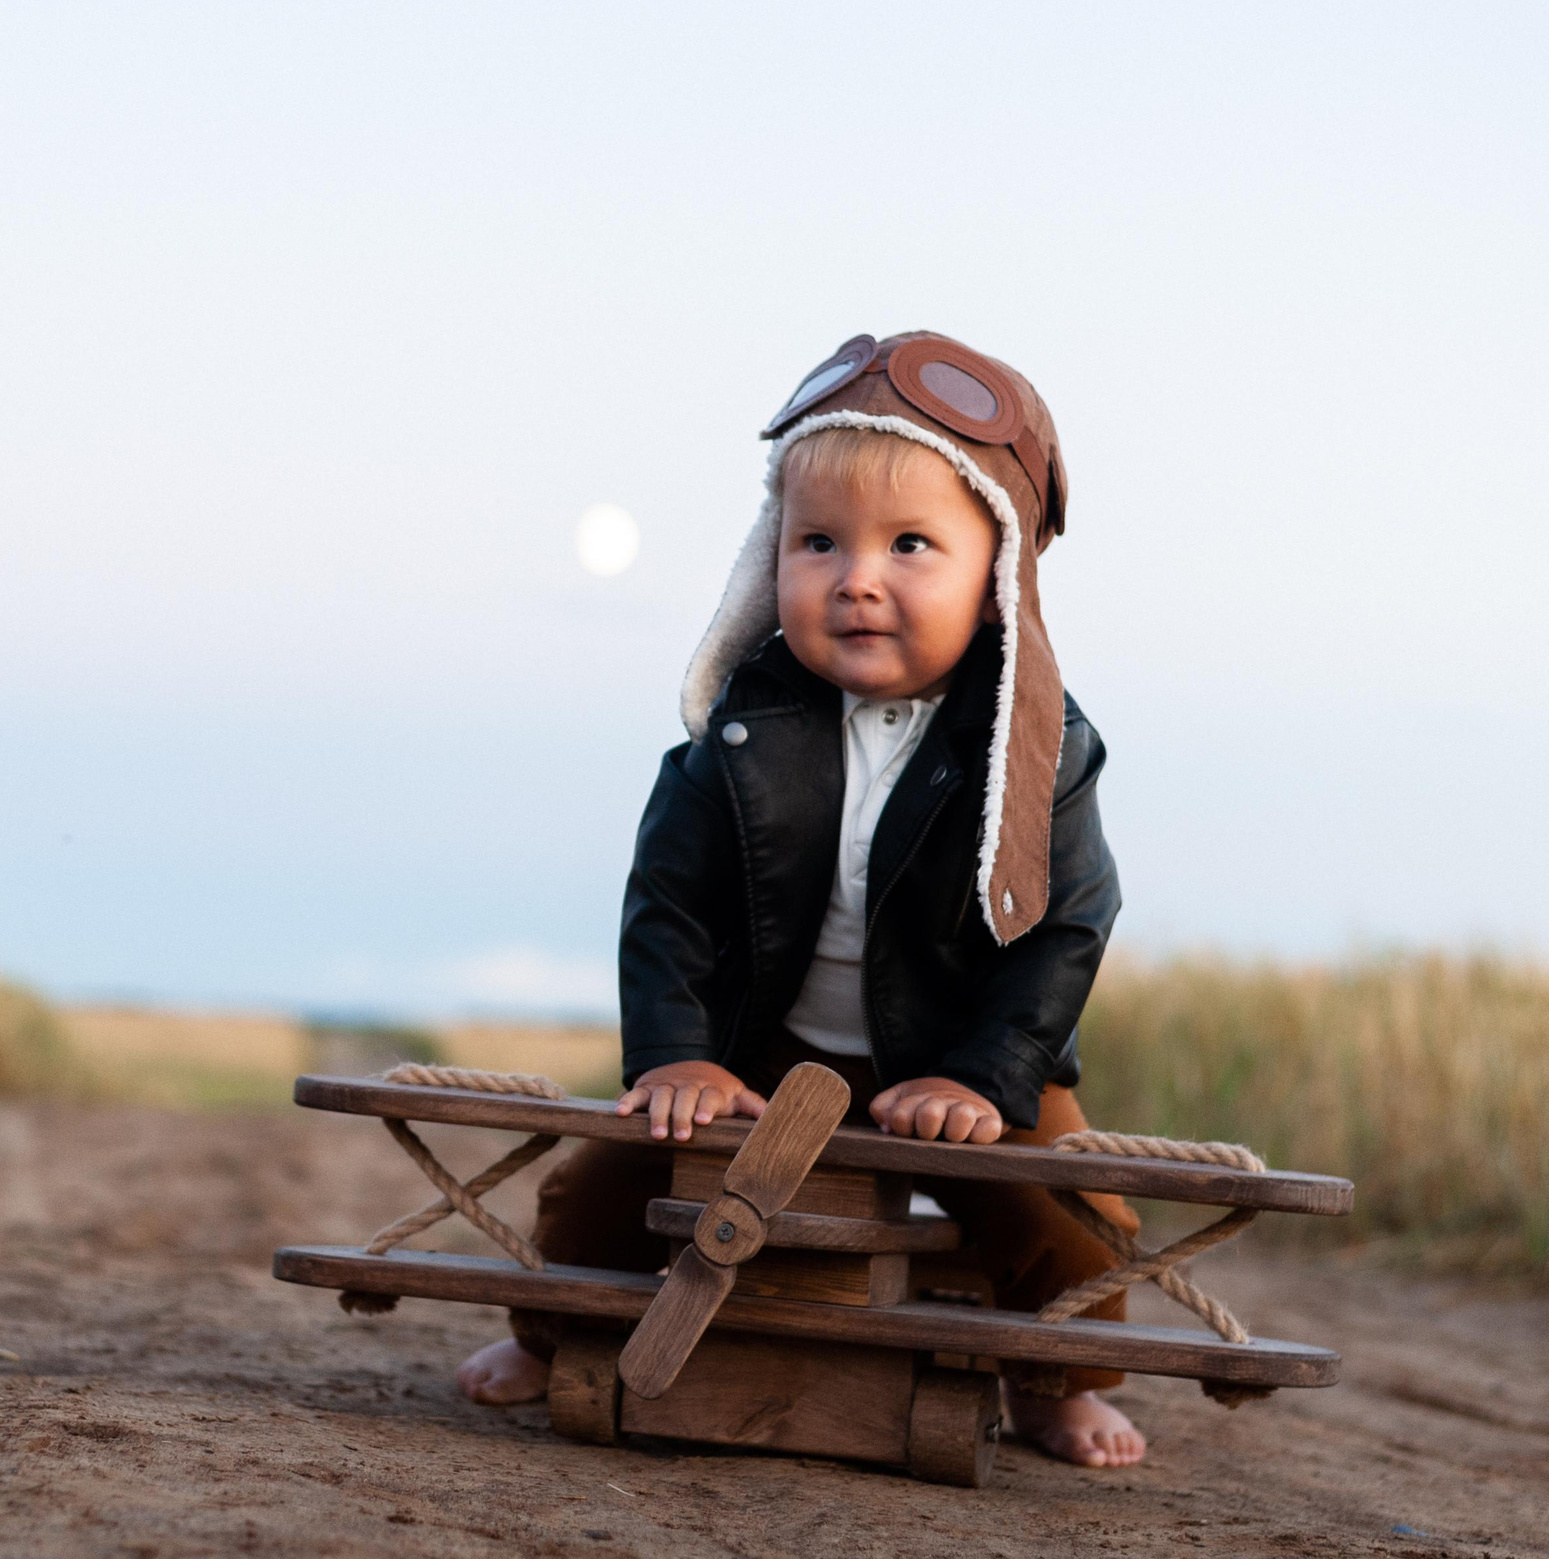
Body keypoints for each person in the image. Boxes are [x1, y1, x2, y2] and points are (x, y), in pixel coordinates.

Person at [455, 331, 1146, 1468]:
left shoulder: (1036, 750)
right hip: (756, 1050)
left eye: (910, 543)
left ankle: (1055, 1380)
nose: (855, 576)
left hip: (949, 1055)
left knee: (1071, 1218)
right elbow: (665, 904)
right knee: (602, 1189)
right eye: (816, 540)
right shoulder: (737, 731)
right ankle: (552, 1327)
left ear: (997, 575)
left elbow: (1067, 923)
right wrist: (676, 1052)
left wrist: (986, 1074)